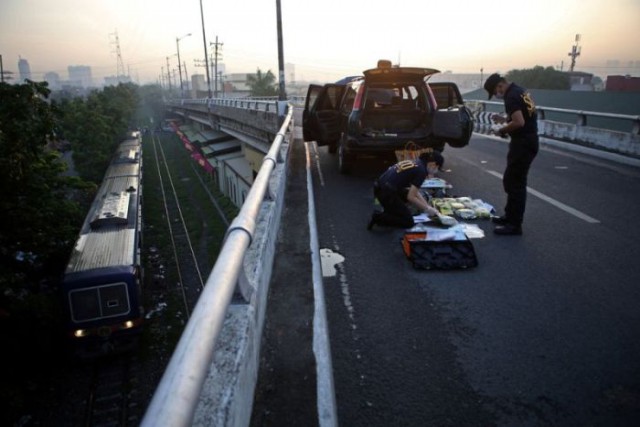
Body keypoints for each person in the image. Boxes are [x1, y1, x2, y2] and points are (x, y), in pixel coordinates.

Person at [484, 73, 539, 236]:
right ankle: (509, 217)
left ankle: (514, 225)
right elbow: (522, 116)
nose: (497, 95)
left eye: (495, 92)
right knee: (511, 180)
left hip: (523, 143)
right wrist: (504, 119)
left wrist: (501, 130)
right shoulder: (520, 91)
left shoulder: (511, 96)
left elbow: (519, 122)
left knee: (515, 183)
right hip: (527, 140)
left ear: (500, 85)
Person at [368, 152, 440, 230]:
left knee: (407, 196)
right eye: (437, 167)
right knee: (408, 222)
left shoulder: (417, 162)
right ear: (433, 163)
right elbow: (411, 197)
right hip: (386, 194)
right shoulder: (421, 171)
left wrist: (427, 206)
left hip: (380, 188)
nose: (436, 170)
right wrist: (427, 209)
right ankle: (378, 217)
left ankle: (391, 210)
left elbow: (415, 191)